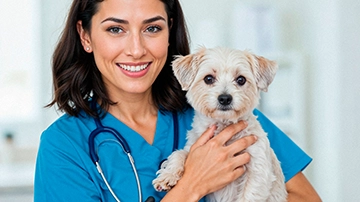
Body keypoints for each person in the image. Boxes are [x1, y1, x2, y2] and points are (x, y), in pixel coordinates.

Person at [34, 0, 321, 201]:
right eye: (116, 29)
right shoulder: (63, 146)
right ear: (85, 36)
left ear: (170, 32)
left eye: (152, 28)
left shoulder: (226, 112)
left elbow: (307, 199)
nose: (136, 49)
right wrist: (191, 185)